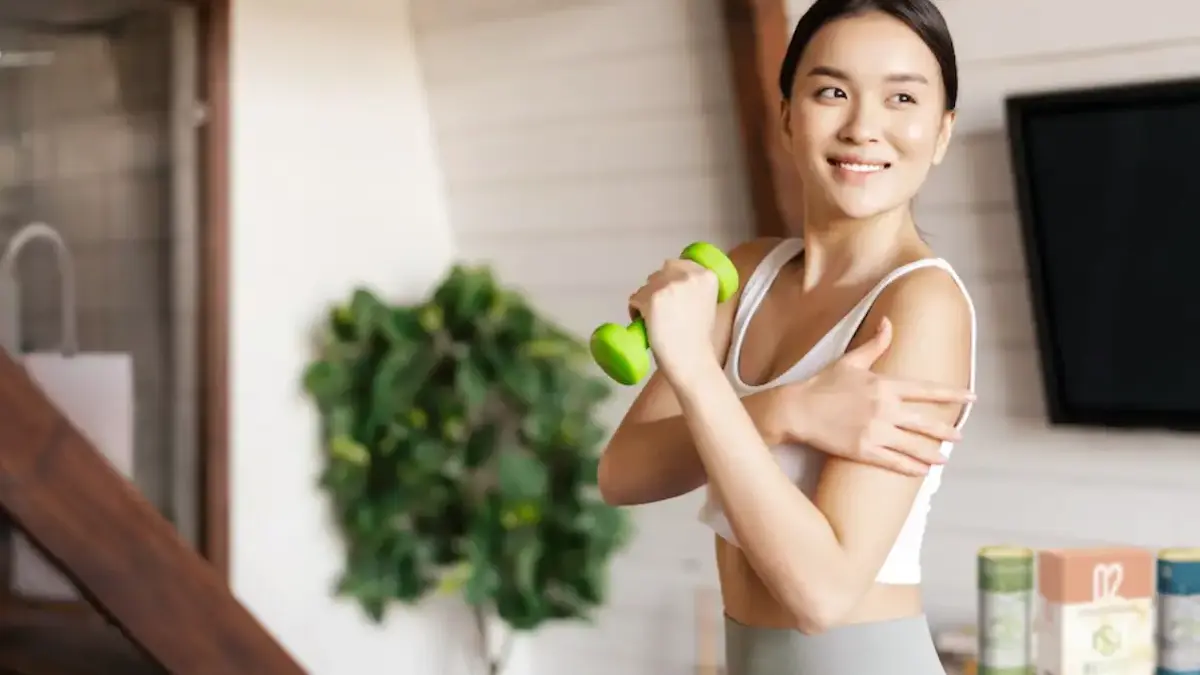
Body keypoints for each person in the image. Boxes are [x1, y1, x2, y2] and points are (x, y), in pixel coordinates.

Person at [597, 0, 972, 672]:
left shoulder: (922, 304)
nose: (863, 127)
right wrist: (784, 409)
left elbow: (820, 593)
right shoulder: (747, 272)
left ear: (941, 133)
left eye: (901, 98)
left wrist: (695, 369)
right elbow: (622, 473)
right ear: (787, 115)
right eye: (832, 91)